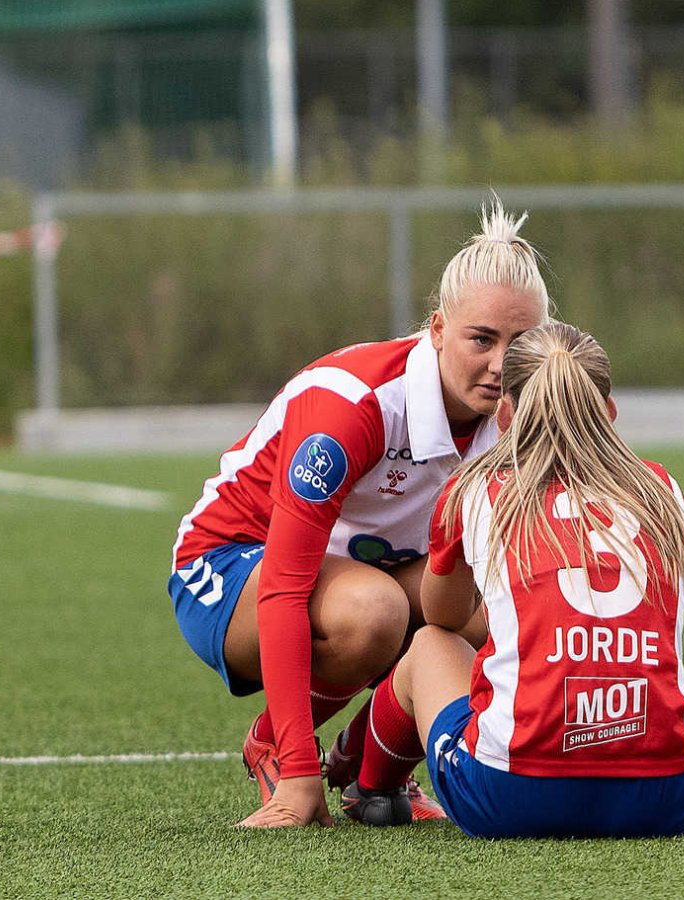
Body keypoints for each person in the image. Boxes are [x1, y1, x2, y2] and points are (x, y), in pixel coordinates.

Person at [168, 200, 552, 828]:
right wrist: (297, 775)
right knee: (375, 612)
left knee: (508, 607)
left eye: (521, 344)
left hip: (368, 572)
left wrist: (654, 775)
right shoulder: (354, 405)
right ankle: (275, 744)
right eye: (481, 339)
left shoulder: (527, 410)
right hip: (230, 566)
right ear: (437, 329)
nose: (499, 365)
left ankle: (371, 769)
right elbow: (285, 586)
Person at [337, 322, 684, 837]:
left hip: (512, 796)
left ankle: (374, 789)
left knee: (431, 644)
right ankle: (640, 759)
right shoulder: (660, 488)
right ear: (609, 412)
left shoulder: (476, 489)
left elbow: (443, 616)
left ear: (504, 415)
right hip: (669, 797)